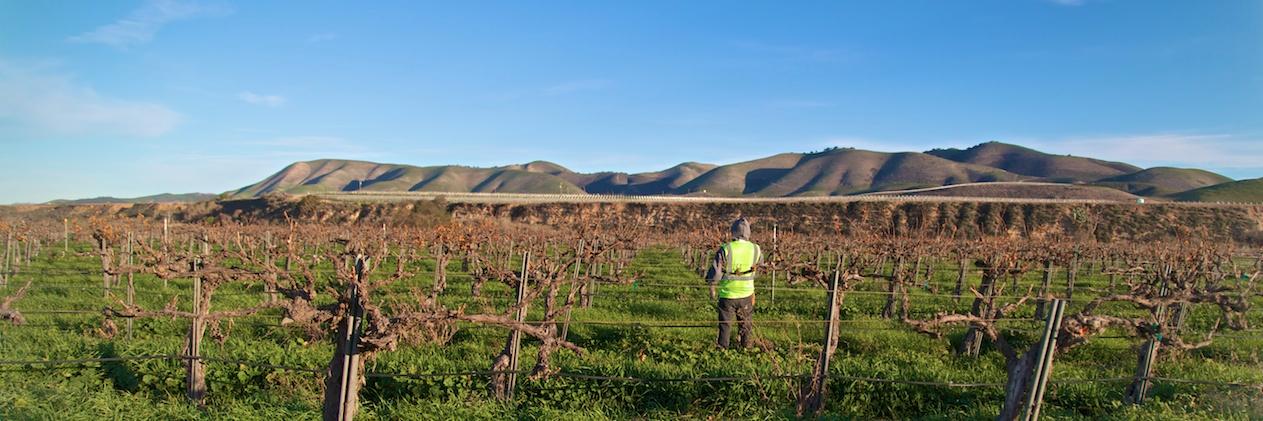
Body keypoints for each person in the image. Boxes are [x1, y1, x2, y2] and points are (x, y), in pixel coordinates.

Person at [705, 217, 763, 349]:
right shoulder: (756, 249)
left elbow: (716, 272)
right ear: (748, 232)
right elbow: (759, 270)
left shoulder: (726, 248)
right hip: (747, 294)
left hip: (728, 294)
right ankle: (746, 348)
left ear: (733, 231)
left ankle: (722, 349)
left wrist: (711, 284)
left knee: (725, 325)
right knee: (745, 324)